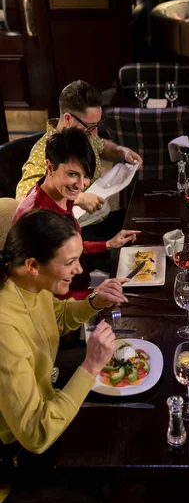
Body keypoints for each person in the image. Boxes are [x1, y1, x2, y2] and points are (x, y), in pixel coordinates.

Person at [0, 209, 128, 455]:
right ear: (33, 265)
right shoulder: (5, 330)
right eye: (70, 263)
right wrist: (90, 366)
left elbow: (57, 318)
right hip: (21, 446)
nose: (79, 270)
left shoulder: (29, 283)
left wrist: (94, 302)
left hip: (51, 385)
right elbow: (36, 434)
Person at [13, 128, 139, 296]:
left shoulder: (60, 194)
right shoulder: (36, 219)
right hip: (66, 304)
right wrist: (94, 295)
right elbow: (46, 299)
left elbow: (65, 248)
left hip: (82, 287)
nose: (80, 185)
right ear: (50, 167)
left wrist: (108, 244)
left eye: (86, 176)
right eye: (72, 174)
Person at [15, 80, 143, 241]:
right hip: (75, 232)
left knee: (145, 223)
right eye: (90, 126)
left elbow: (102, 146)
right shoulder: (44, 153)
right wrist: (77, 198)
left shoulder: (84, 136)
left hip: (102, 218)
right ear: (68, 119)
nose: (95, 132)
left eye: (98, 125)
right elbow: (24, 202)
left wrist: (123, 152)